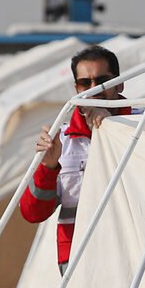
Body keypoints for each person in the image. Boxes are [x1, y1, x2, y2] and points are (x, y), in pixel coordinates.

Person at [19, 45, 129, 273]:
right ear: (76, 89)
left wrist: (113, 130)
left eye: (102, 81)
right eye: (84, 83)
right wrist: (48, 166)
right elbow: (32, 213)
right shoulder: (63, 140)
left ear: (119, 83)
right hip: (80, 263)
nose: (93, 89)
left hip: (136, 254)